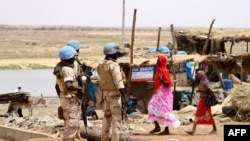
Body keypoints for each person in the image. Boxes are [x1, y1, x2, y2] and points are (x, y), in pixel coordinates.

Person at [53, 45, 85, 141]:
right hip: (70, 99)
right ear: (70, 57)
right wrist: (80, 89)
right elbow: (69, 86)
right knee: (72, 125)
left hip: (65, 98)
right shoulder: (68, 69)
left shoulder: (60, 68)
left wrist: (62, 97)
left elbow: (57, 87)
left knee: (69, 123)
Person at [97, 42, 126, 141]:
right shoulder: (114, 66)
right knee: (116, 121)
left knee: (106, 118)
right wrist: (124, 96)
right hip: (114, 96)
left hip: (105, 95)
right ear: (113, 53)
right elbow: (119, 82)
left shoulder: (101, 65)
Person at [147, 54, 181, 135]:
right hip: (158, 93)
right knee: (151, 107)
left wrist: (162, 79)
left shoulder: (164, 71)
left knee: (165, 110)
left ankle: (166, 129)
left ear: (161, 61)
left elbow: (167, 83)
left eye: (158, 60)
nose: (157, 61)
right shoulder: (158, 70)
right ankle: (157, 126)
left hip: (164, 94)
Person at [185, 70, 217, 135]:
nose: (197, 76)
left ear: (201, 75)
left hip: (205, 101)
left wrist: (207, 95)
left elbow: (211, 90)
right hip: (202, 100)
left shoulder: (204, 82)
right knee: (199, 114)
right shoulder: (201, 82)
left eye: (198, 75)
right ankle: (193, 130)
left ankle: (214, 129)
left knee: (207, 114)